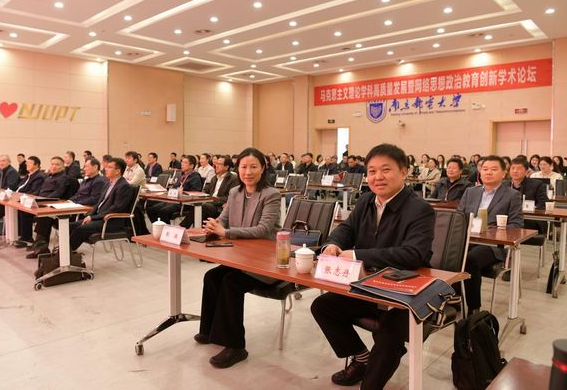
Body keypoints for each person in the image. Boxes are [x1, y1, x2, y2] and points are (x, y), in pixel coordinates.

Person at [311, 143, 435, 388]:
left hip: (403, 293)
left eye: (386, 170)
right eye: (372, 171)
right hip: (368, 285)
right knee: (323, 306)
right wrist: (332, 245)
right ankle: (362, 358)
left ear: (403, 172)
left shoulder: (420, 209)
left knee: (389, 335)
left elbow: (413, 255)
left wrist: (358, 254)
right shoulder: (367, 200)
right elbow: (346, 229)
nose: (378, 177)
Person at [195, 147, 281, 369]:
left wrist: (226, 232)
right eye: (244, 167)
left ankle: (236, 347)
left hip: (265, 262)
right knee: (212, 277)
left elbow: (263, 229)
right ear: (238, 169)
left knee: (230, 282)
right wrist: (214, 225)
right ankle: (209, 331)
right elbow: (224, 219)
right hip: (241, 257)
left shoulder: (271, 194)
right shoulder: (235, 192)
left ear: (263, 168)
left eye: (253, 167)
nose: (248, 172)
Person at [457, 155, 523, 314]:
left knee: (469, 260)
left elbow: (516, 225)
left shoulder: (512, 195)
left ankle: (474, 309)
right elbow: (458, 218)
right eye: (485, 169)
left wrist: (492, 231)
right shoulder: (470, 192)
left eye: (494, 169)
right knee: (447, 256)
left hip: (493, 245)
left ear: (504, 173)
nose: (488, 172)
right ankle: (455, 299)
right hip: (468, 240)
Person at [28, 157, 107, 258]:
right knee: (45, 216)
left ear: (95, 167)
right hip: (75, 207)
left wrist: (74, 202)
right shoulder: (86, 180)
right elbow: (77, 195)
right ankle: (41, 247)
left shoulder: (99, 181)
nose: (84, 169)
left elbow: (94, 199)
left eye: (86, 166)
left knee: (47, 217)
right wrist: (69, 201)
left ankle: (47, 249)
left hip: (83, 212)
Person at [68, 157, 133, 251]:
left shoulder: (124, 186)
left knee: (80, 229)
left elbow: (116, 208)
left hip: (111, 221)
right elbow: (99, 203)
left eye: (109, 167)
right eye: (106, 167)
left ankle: (66, 253)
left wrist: (93, 218)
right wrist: (90, 215)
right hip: (100, 218)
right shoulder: (108, 183)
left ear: (118, 171)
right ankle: (66, 252)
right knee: (69, 226)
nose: (105, 169)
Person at [17, 156, 71, 248]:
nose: (54, 166)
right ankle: (27, 238)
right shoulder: (49, 177)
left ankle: (41, 246)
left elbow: (58, 193)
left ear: (62, 167)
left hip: (53, 205)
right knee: (24, 210)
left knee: (44, 216)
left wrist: (43, 201)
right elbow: (40, 190)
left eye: (57, 165)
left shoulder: (63, 178)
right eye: (52, 164)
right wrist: (35, 199)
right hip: (42, 202)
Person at [178, 156, 239, 228]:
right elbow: (206, 191)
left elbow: (230, 197)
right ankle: (198, 230)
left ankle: (182, 227)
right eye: (216, 164)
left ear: (226, 167)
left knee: (202, 206)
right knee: (199, 207)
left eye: (219, 164)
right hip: (210, 203)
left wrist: (213, 199)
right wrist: (201, 194)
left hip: (220, 206)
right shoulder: (214, 178)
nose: (216, 166)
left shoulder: (233, 179)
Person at [146, 155, 203, 222]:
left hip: (185, 203)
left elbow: (195, 193)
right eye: (182, 162)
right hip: (174, 200)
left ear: (191, 166)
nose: (182, 164)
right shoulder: (182, 175)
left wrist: (182, 193)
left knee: (163, 211)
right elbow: (174, 187)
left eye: (185, 163)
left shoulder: (195, 177)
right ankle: (158, 226)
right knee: (151, 210)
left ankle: (165, 228)